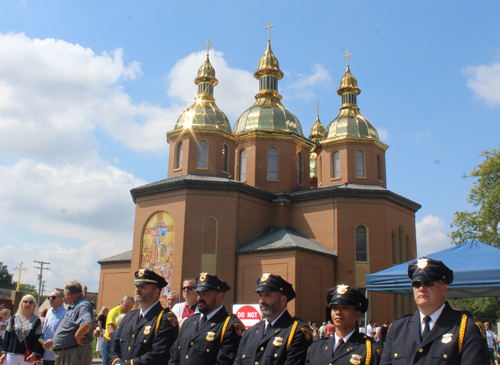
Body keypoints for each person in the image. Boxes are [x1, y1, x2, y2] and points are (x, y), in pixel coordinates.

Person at [380, 257, 490, 364]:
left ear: (443, 288)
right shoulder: (397, 329)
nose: (421, 289)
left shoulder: (466, 328)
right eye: (416, 284)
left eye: (428, 283)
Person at [234, 273, 313, 365]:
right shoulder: (249, 333)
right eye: (260, 296)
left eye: (267, 296)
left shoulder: (296, 332)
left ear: (283, 300)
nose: (262, 301)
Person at [169, 273, 244, 365]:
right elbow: (174, 356)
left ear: (219, 297)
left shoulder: (230, 325)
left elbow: (225, 361)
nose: (200, 298)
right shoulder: (189, 322)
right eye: (198, 294)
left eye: (205, 294)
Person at [112, 269, 179, 365]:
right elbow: (115, 349)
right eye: (137, 286)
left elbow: (158, 355)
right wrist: (116, 363)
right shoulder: (128, 318)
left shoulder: (165, 319)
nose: (137, 290)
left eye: (142, 287)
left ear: (156, 292)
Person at [306, 285, 382, 365]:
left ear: (358, 315)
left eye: (345, 308)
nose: (338, 312)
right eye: (335, 308)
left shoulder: (370, 349)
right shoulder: (315, 348)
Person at [52, 280, 94, 365]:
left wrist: (77, 336)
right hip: (68, 353)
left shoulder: (82, 305)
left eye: (64, 294)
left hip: (73, 354)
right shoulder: (77, 305)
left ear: (69, 294)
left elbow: (87, 323)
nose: (64, 297)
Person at [0, 294, 44, 365]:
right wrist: (4, 353)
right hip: (11, 353)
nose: (27, 304)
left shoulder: (37, 320)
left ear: (34, 305)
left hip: (27, 355)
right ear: (21, 304)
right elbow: (8, 335)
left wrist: (35, 354)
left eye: (30, 302)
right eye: (25, 302)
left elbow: (38, 338)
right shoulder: (14, 318)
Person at [101, 295, 135, 365]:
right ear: (122, 302)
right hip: (109, 343)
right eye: (127, 306)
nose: (128, 309)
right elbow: (111, 332)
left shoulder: (130, 314)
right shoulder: (114, 312)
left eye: (130, 307)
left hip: (122, 344)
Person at [41, 290, 67, 365]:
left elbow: (67, 334)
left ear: (61, 299)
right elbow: (44, 331)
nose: (50, 299)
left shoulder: (66, 314)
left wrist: (53, 341)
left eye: (53, 297)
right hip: (45, 354)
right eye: (49, 297)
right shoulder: (49, 312)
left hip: (58, 355)